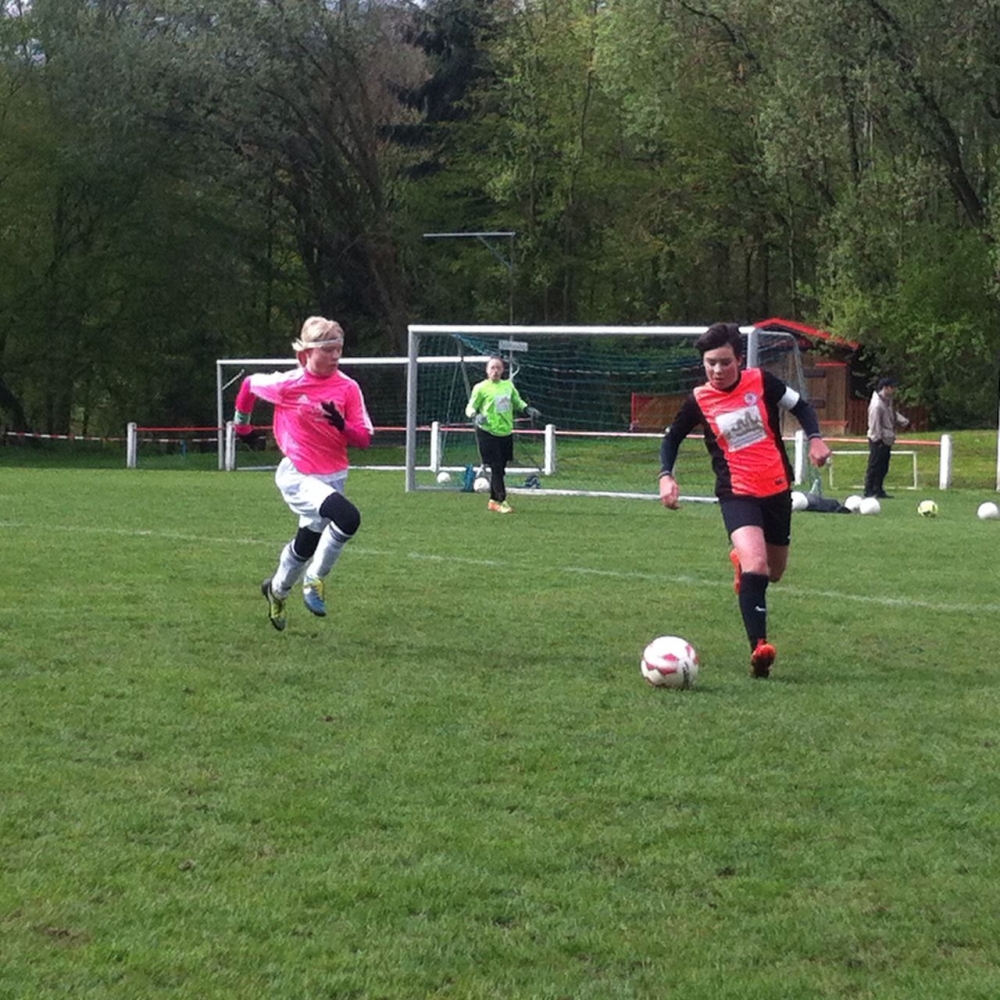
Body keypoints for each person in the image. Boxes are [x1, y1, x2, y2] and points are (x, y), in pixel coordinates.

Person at [658, 323, 831, 678]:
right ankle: (759, 648)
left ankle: (741, 563)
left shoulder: (762, 382)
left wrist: (815, 438)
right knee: (757, 566)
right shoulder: (699, 399)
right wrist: (666, 475)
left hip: (777, 488)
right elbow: (672, 438)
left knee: (774, 573)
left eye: (724, 362)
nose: (717, 370)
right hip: (737, 492)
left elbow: (802, 407)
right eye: (710, 363)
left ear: (739, 359)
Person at [232, 317, 373, 630]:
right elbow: (248, 385)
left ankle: (277, 590)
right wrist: (242, 428)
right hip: (297, 474)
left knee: (305, 544)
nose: (335, 356)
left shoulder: (348, 388)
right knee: (348, 518)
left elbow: (364, 439)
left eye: (339, 349)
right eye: (328, 350)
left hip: (333, 475)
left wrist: (341, 425)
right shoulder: (288, 384)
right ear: (306, 353)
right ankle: (314, 579)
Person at [465, 356, 539, 513]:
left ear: (503, 370)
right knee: (496, 466)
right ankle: (502, 501)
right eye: (492, 367)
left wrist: (527, 409)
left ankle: (493, 501)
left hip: (505, 432)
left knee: (500, 468)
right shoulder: (481, 388)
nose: (495, 371)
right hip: (487, 432)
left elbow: (517, 401)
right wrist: (475, 415)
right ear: (487, 370)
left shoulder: (508, 386)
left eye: (498, 367)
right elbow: (470, 407)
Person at [864, 376, 909, 499]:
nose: (894, 390)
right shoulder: (877, 405)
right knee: (874, 465)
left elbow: (892, 414)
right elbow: (874, 422)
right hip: (878, 439)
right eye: (892, 387)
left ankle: (878, 489)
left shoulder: (887, 401)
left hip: (887, 439)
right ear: (885, 388)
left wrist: (903, 421)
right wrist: (877, 439)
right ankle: (869, 489)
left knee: (883, 466)